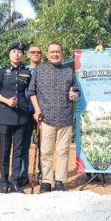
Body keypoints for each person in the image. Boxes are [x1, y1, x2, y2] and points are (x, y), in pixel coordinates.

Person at [29, 42, 79, 193]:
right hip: (46, 118)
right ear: (47, 54)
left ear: (62, 54)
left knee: (63, 151)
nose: (55, 54)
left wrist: (75, 94)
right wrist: (37, 110)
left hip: (65, 117)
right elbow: (32, 92)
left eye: (58, 51)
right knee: (46, 152)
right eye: (52, 51)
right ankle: (46, 181)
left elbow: (76, 91)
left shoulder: (69, 71)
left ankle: (60, 181)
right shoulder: (40, 70)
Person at [0, 42, 31, 193]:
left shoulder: (26, 72)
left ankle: (15, 181)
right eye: (14, 51)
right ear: (9, 54)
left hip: (22, 116)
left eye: (19, 52)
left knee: (19, 150)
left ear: (22, 55)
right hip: (6, 115)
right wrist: (6, 101)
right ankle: (4, 181)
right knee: (5, 149)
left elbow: (31, 92)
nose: (17, 54)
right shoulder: (2, 71)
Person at [19, 45, 43, 187]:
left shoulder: (46, 70)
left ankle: (42, 173)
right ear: (28, 55)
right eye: (33, 52)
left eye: (38, 52)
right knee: (23, 145)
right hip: (26, 112)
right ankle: (23, 174)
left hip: (43, 113)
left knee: (43, 146)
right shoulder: (23, 70)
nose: (36, 54)